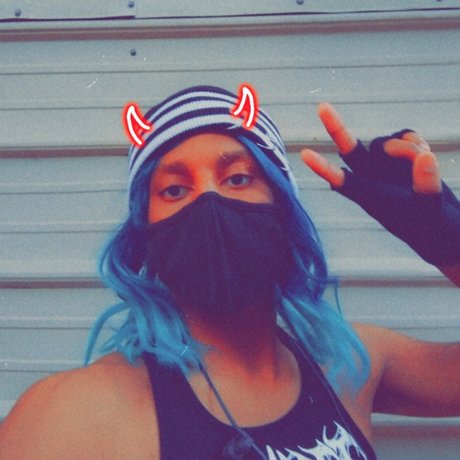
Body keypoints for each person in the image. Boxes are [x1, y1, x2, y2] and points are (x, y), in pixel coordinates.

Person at [0, 86, 459, 460]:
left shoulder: (348, 364)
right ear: (146, 233)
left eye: (238, 178)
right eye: (174, 189)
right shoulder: (75, 417)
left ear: (282, 208)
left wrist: (450, 245)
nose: (209, 203)